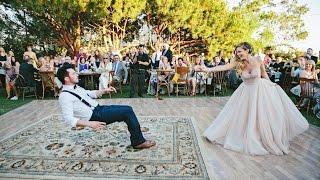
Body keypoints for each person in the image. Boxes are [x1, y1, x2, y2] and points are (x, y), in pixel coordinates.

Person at [202, 42, 309, 155]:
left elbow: (264, 74)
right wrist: (208, 69)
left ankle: (261, 137)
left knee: (262, 115)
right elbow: (224, 67)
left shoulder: (258, 59)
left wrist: (271, 85)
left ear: (247, 50)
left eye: (240, 51)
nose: (238, 54)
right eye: (236, 52)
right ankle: (245, 136)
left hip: (260, 90)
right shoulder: (238, 62)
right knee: (244, 115)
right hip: (246, 92)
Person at [56, 63, 156, 149]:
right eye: (73, 73)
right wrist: (89, 124)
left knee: (125, 110)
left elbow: (89, 93)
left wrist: (105, 90)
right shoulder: (64, 96)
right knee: (127, 111)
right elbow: (68, 119)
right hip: (95, 116)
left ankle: (137, 139)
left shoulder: (75, 87)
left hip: (99, 109)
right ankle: (138, 142)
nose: (77, 74)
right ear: (66, 78)